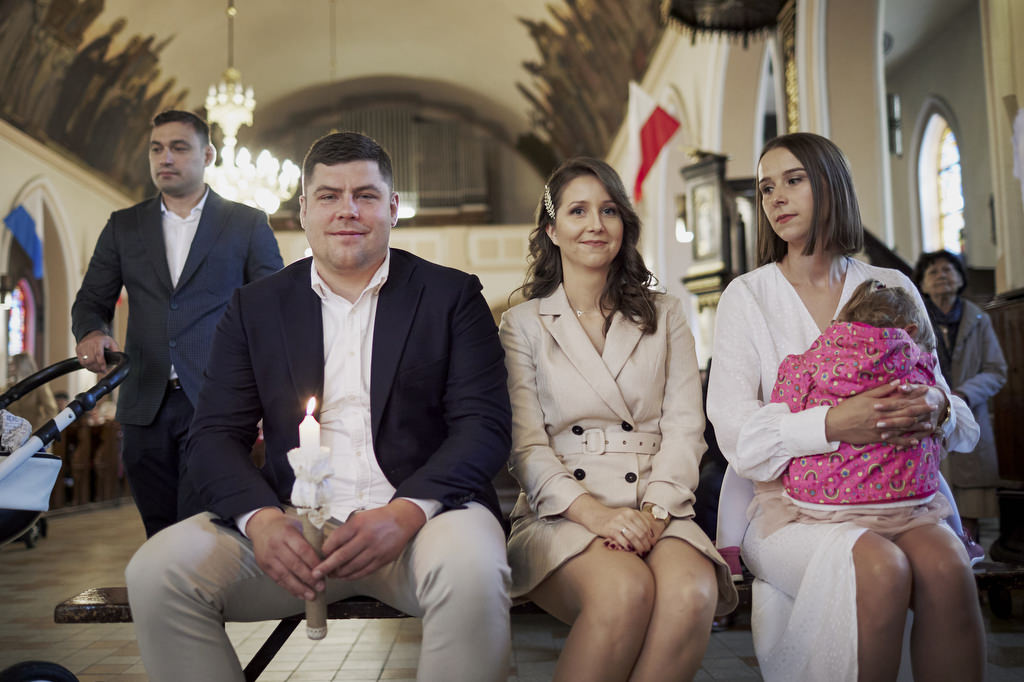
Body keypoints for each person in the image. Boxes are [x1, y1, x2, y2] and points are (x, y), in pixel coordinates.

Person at [124, 131, 513, 682]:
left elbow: (484, 427)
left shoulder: (450, 297)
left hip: (424, 523)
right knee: (156, 573)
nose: (347, 210)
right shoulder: (256, 307)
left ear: (393, 208)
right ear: (304, 210)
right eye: (329, 196)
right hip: (293, 526)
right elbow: (212, 437)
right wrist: (261, 521)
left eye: (365, 195)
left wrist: (404, 513)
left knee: (473, 569)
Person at [706, 132, 983, 682]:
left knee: (948, 566)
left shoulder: (891, 285)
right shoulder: (749, 296)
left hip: (896, 497)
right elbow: (734, 434)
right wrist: (833, 424)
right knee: (880, 569)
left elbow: (954, 413)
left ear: (831, 185)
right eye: (766, 188)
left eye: (793, 181)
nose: (776, 198)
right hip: (791, 508)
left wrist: (938, 407)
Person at [500, 157, 737, 682]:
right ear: (551, 230)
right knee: (625, 590)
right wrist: (598, 517)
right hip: (561, 512)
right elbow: (526, 447)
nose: (595, 224)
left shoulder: (665, 313)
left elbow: (686, 429)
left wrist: (654, 513)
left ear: (624, 225)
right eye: (577, 211)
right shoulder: (522, 324)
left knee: (692, 593)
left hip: (658, 502)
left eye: (608, 210)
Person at [71, 109, 283, 537]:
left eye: (179, 148)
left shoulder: (246, 224)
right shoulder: (124, 225)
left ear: (208, 155)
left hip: (216, 399)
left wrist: (268, 393)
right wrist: (92, 331)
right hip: (143, 399)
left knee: (197, 525)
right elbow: (91, 299)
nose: (165, 158)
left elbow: (273, 310)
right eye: (157, 148)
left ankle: (200, 582)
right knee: (158, 528)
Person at [914, 249, 1007, 545]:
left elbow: (996, 371)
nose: (941, 275)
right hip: (926, 418)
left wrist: (962, 394)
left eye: (948, 270)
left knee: (970, 515)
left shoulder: (978, 318)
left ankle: (971, 565)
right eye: (933, 271)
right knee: (931, 513)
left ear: (960, 278)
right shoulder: (913, 317)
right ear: (922, 284)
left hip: (970, 416)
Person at [5, 353, 58, 430]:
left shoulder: (39, 386)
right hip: (12, 434)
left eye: (13, 364)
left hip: (33, 433)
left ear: (22, 366)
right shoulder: (9, 387)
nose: (10, 368)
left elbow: (51, 411)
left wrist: (39, 432)